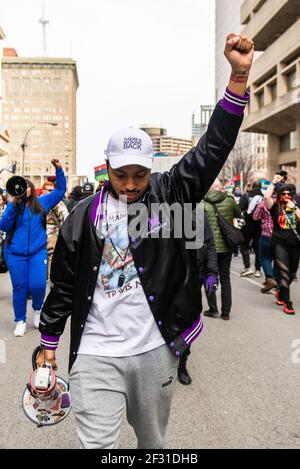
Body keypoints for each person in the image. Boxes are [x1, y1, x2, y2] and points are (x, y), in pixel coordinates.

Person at [37, 34, 254, 449]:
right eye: (122, 175)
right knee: (97, 445)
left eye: (140, 174)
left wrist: (239, 75)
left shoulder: (171, 194)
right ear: (107, 170)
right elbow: (63, 285)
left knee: (152, 443)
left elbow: (213, 147)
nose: (132, 184)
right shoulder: (81, 219)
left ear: (151, 169)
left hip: (155, 347)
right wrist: (49, 342)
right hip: (96, 351)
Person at [0, 159, 66, 336]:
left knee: (37, 285)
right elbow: (4, 226)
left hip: (37, 252)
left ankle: (37, 311)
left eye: (26, 186)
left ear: (31, 188)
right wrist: (14, 205)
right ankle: (20, 321)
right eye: (19, 187)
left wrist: (59, 169)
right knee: (20, 287)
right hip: (15, 254)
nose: (23, 189)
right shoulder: (12, 206)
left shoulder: (42, 203)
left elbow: (60, 191)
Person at [177, 213, 218, 385]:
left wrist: (211, 272)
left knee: (188, 320)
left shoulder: (198, 212)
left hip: (195, 276)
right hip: (168, 278)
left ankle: (182, 365)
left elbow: (209, 244)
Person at [203, 178, 242, 320]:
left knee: (209, 276)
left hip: (208, 248)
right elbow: (240, 215)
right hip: (226, 246)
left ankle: (213, 309)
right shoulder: (229, 201)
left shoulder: (201, 203)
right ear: (220, 187)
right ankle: (226, 312)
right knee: (225, 278)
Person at [264, 177, 300, 314]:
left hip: (295, 245)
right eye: (283, 194)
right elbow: (266, 196)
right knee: (284, 273)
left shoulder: (295, 205)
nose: (286, 196)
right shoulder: (275, 207)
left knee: (292, 273)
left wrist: (294, 207)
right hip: (279, 244)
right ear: (279, 196)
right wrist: (273, 183)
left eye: (288, 194)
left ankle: (280, 292)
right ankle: (287, 303)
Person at [41, 181, 69, 279]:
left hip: (52, 234)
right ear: (43, 190)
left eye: (53, 190)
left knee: (51, 256)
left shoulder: (58, 203)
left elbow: (66, 219)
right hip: (38, 234)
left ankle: (51, 280)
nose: (52, 192)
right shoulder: (36, 202)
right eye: (49, 190)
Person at [239, 181, 263, 277]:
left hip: (247, 225)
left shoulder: (246, 196)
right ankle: (258, 270)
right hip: (259, 225)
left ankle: (247, 267)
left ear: (252, 186)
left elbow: (240, 207)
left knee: (244, 246)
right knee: (258, 247)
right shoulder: (264, 197)